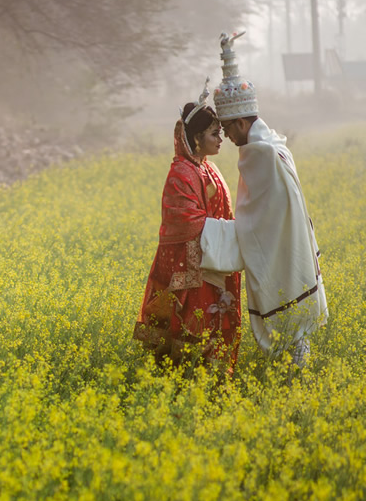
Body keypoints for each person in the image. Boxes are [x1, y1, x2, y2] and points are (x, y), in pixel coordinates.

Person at [203, 30, 328, 366]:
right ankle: (295, 382)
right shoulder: (273, 144)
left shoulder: (261, 154)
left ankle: (297, 385)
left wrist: (217, 232)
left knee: (290, 324)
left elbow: (258, 215)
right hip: (289, 245)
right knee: (293, 326)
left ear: (243, 122)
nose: (227, 137)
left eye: (228, 128)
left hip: (278, 247)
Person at [133, 78, 244, 372]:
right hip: (191, 267)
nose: (221, 140)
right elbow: (183, 220)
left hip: (214, 261)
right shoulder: (180, 173)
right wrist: (229, 232)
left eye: (220, 133)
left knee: (215, 327)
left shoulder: (209, 168)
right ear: (196, 139)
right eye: (213, 134)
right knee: (191, 333)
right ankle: (185, 384)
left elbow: (223, 213)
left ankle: (215, 384)